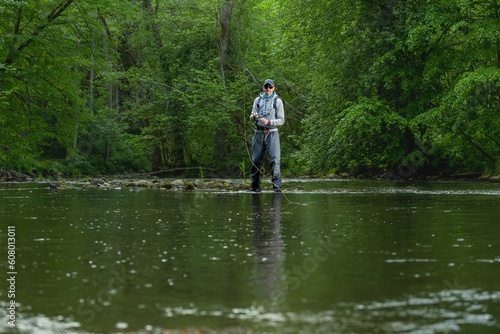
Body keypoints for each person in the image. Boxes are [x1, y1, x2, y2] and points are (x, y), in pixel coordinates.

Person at [249, 79, 285, 192]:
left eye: (270, 87)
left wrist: (269, 122)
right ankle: (255, 186)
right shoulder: (257, 100)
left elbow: (281, 120)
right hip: (258, 133)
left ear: (274, 88)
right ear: (263, 87)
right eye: (266, 87)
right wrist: (254, 117)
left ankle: (277, 187)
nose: (268, 89)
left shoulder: (278, 102)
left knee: (275, 160)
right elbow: (251, 117)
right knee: (256, 160)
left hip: (272, 133)